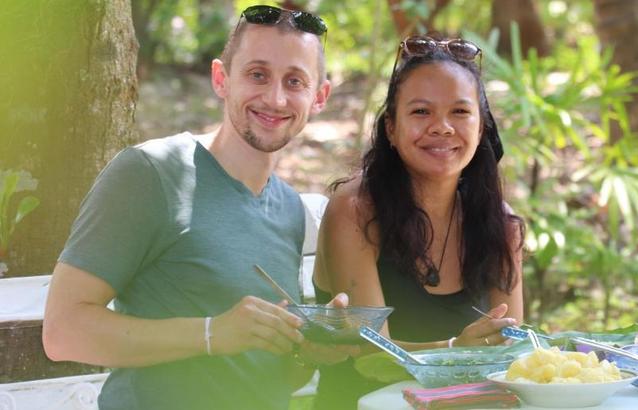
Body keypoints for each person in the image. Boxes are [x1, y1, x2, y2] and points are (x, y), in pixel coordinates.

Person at [42, 5, 357, 410]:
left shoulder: (289, 209)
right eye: (257, 74)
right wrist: (211, 333)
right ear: (221, 78)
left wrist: (311, 348)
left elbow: (264, 371)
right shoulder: (151, 173)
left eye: (294, 81)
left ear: (319, 97)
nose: (275, 98)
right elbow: (62, 332)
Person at [311, 35, 525, 409]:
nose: (442, 127)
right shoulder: (356, 210)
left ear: (481, 128)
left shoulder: (501, 225)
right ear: (391, 129)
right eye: (421, 112)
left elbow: (512, 351)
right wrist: (457, 350)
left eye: (460, 112)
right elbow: (369, 357)